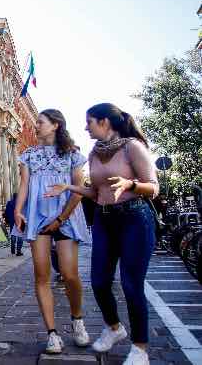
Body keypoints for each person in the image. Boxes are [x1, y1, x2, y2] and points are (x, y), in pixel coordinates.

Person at [45, 103, 159, 365]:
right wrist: (70, 187)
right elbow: (96, 193)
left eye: (90, 122)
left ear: (105, 122)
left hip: (134, 218)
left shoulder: (132, 147)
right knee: (98, 282)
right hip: (104, 220)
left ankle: (140, 349)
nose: (86, 127)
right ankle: (115, 328)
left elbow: (154, 188)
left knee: (131, 286)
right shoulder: (95, 153)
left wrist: (130, 184)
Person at [14, 109, 91, 354]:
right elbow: (24, 185)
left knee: (70, 274)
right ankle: (52, 333)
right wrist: (18, 210)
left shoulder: (72, 155)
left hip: (65, 216)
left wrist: (61, 218)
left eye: (40, 122)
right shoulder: (28, 155)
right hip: (37, 216)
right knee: (41, 275)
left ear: (55, 125)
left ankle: (77, 319)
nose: (36, 126)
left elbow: (79, 189)